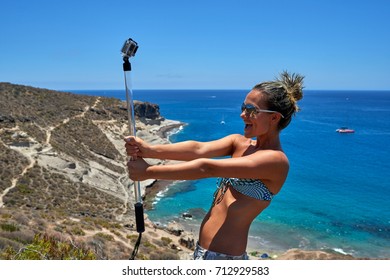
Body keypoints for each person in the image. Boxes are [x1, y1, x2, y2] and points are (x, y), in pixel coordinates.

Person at [125, 71, 304, 260]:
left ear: (274, 118)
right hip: (202, 252)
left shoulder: (275, 161)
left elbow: (208, 168)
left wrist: (149, 172)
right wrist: (149, 150)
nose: (243, 114)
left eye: (251, 110)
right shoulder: (239, 143)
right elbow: (198, 149)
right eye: (243, 107)